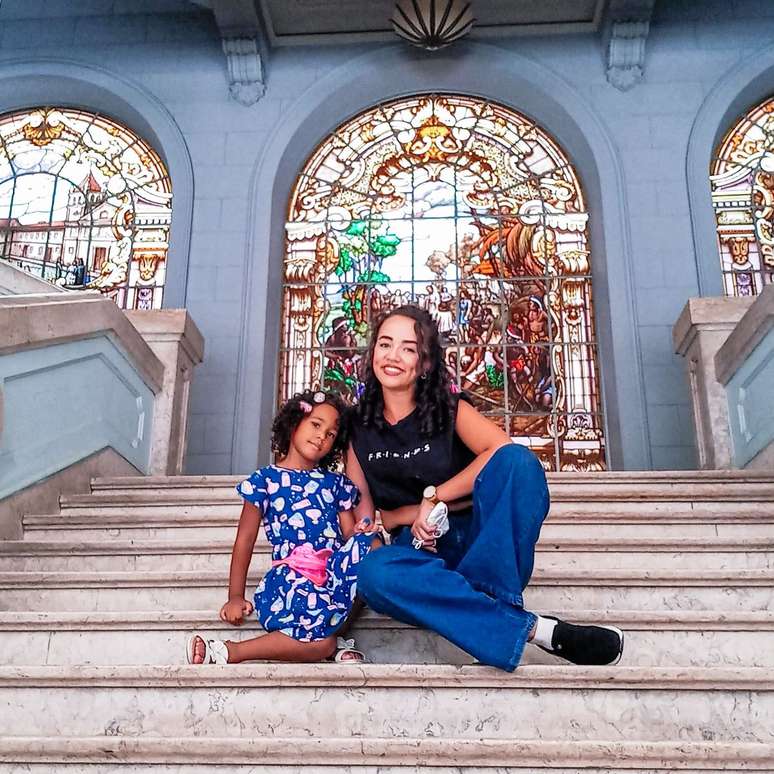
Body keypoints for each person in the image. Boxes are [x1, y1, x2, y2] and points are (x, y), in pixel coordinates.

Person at [346, 305, 623, 671]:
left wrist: (435, 496)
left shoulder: (449, 409)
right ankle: (539, 631)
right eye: (385, 344)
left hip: (481, 541)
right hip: (418, 554)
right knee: (373, 572)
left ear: (425, 363)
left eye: (408, 348)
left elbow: (500, 451)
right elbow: (363, 519)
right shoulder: (357, 428)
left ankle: (486, 603)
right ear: (373, 353)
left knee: (518, 464)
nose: (393, 356)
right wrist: (400, 523)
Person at [187, 389, 380, 665]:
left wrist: (361, 533)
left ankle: (332, 635)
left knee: (372, 546)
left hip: (331, 575)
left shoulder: (335, 484)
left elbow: (349, 535)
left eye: (331, 434)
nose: (322, 437)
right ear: (293, 423)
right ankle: (232, 651)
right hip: (292, 578)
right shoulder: (265, 480)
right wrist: (235, 596)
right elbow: (245, 540)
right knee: (322, 645)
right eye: (316, 425)